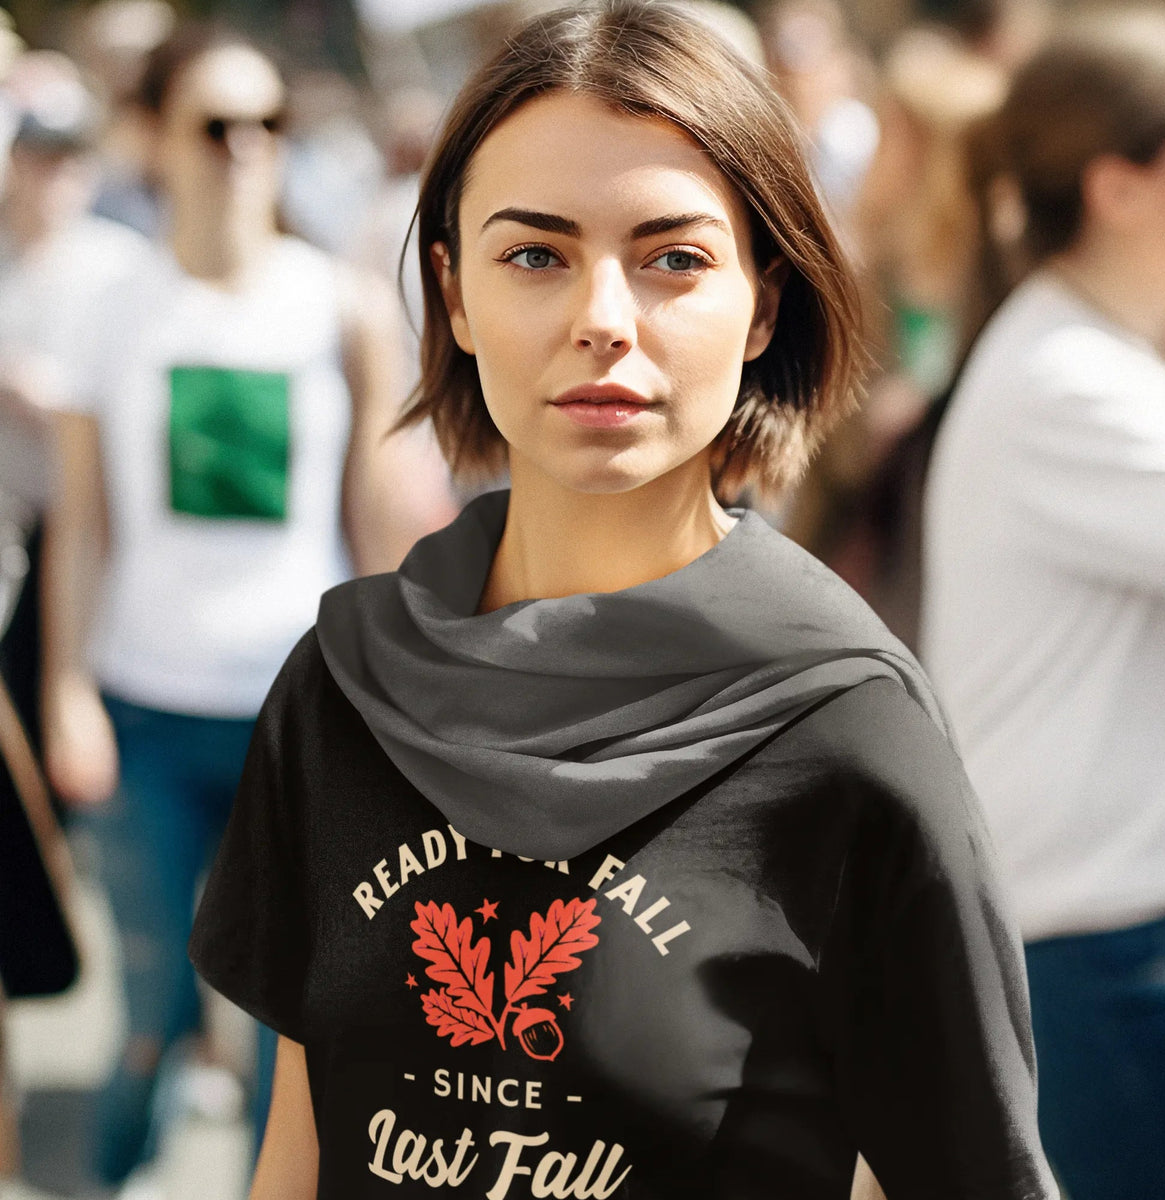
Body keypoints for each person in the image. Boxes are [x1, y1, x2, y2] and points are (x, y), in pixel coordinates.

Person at [189, 4, 1057, 1197]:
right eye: (535, 254)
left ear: (762, 303)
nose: (603, 318)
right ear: (452, 293)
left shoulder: (848, 733)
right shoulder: (343, 687)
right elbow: (299, 1150)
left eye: (674, 259)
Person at [39, 24, 456, 1191]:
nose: (246, 150)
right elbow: (83, 524)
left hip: (302, 712)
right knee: (156, 1003)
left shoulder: (337, 304)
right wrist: (67, 688)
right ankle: (107, 1173)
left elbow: (372, 516)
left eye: (268, 123)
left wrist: (399, 691)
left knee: (296, 1014)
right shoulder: (111, 306)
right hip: (149, 704)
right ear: (157, 140)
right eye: (216, 125)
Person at [921, 12, 1165, 1198]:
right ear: (1119, 186)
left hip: (1121, 948)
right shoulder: (1069, 382)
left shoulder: (1109, 357)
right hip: (1108, 961)